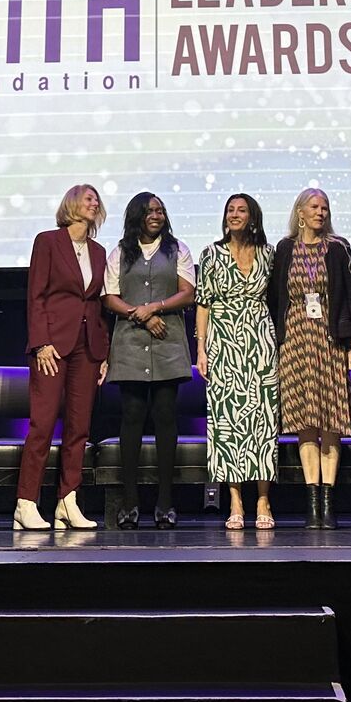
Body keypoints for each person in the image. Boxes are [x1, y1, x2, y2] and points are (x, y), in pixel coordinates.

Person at [14, 184, 110, 531]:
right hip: (52, 346)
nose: (93, 202)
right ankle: (26, 503)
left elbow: (98, 304)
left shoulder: (99, 252)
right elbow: (36, 295)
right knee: (42, 425)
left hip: (88, 346)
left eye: (96, 199)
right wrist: (40, 343)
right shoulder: (48, 241)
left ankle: (67, 502)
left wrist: (104, 352)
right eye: (88, 198)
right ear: (71, 204)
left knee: (79, 428)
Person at [101, 191, 196, 528]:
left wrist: (154, 307)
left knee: (166, 420)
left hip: (167, 343)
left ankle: (165, 502)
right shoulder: (120, 253)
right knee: (131, 420)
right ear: (137, 216)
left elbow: (188, 292)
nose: (156, 215)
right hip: (129, 345)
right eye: (149, 210)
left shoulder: (177, 250)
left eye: (160, 210)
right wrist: (139, 314)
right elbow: (110, 297)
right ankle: (129, 502)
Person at [268, 188, 351, 529]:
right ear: (300, 212)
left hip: (328, 340)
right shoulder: (284, 249)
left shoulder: (338, 248)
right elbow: (276, 300)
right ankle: (312, 505)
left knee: (330, 420)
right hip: (294, 341)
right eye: (314, 206)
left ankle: (328, 502)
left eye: (325, 207)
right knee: (305, 422)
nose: (320, 212)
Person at [195, 193, 280, 531]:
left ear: (252, 216)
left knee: (263, 419)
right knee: (227, 423)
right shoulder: (211, 255)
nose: (234, 215)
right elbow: (203, 304)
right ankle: (235, 500)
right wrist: (201, 349)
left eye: (241, 210)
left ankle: (262, 498)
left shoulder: (268, 254)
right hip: (224, 342)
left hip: (260, 340)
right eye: (230, 210)